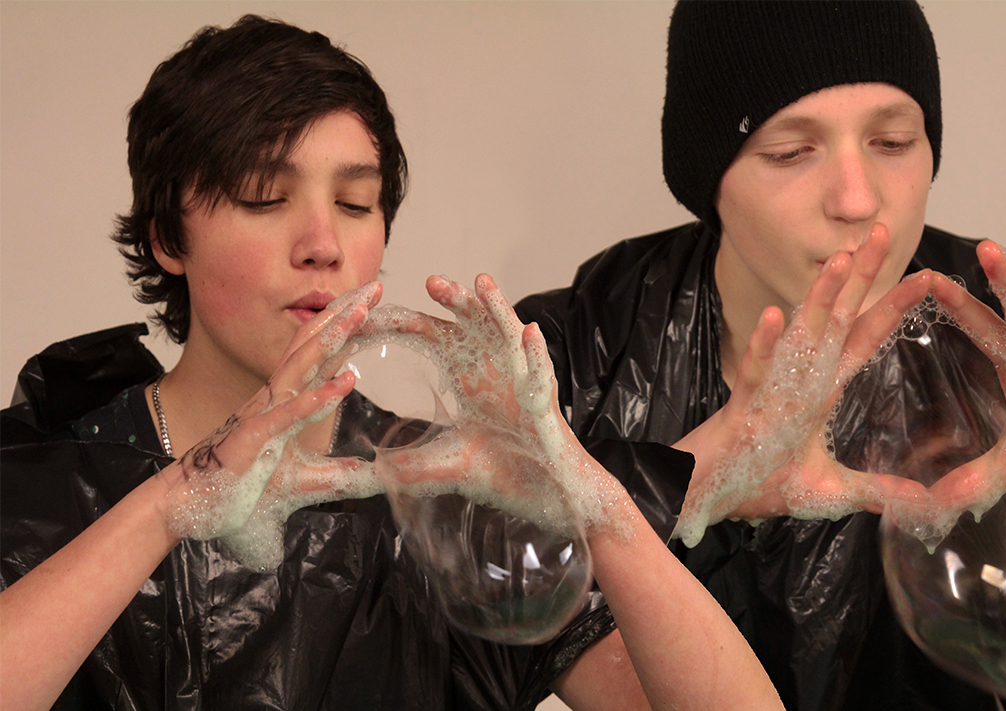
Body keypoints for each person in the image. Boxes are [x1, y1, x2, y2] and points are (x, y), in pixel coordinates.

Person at [0, 15, 786, 711]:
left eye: (355, 204)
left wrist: (588, 497)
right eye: (264, 196)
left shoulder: (441, 502)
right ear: (169, 237)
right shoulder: (49, 477)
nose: (323, 245)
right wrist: (177, 501)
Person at [513, 2, 1006, 710]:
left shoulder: (989, 321)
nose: (858, 199)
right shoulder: (568, 359)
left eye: (893, 142)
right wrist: (680, 482)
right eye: (790, 152)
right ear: (708, 177)